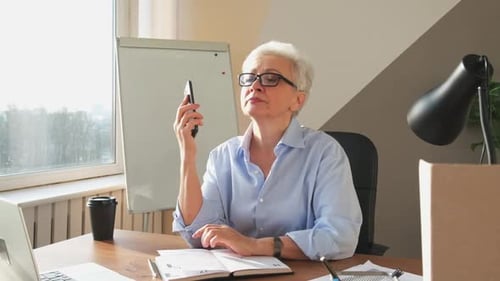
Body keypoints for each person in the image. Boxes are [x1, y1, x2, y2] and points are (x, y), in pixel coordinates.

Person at [172, 40, 362, 260]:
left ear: (297, 100)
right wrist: (187, 154)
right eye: (250, 78)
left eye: (271, 79)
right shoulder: (222, 156)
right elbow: (197, 233)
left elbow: (340, 237)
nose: (255, 86)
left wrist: (255, 245)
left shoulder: (325, 153)